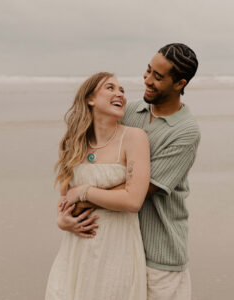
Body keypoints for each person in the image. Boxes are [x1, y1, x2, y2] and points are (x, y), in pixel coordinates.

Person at [59, 43, 201, 300]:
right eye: (147, 71)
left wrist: (81, 200)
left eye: (158, 77)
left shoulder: (185, 132)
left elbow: (142, 189)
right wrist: (63, 218)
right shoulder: (129, 113)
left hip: (160, 253)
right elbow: (96, 156)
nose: (147, 80)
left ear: (179, 84)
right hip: (118, 248)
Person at [45, 72, 150, 299]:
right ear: (90, 98)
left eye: (122, 90)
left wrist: (84, 191)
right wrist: (62, 221)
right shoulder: (72, 144)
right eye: (110, 88)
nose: (120, 94)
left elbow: (133, 201)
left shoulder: (134, 138)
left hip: (117, 249)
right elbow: (65, 201)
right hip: (75, 249)